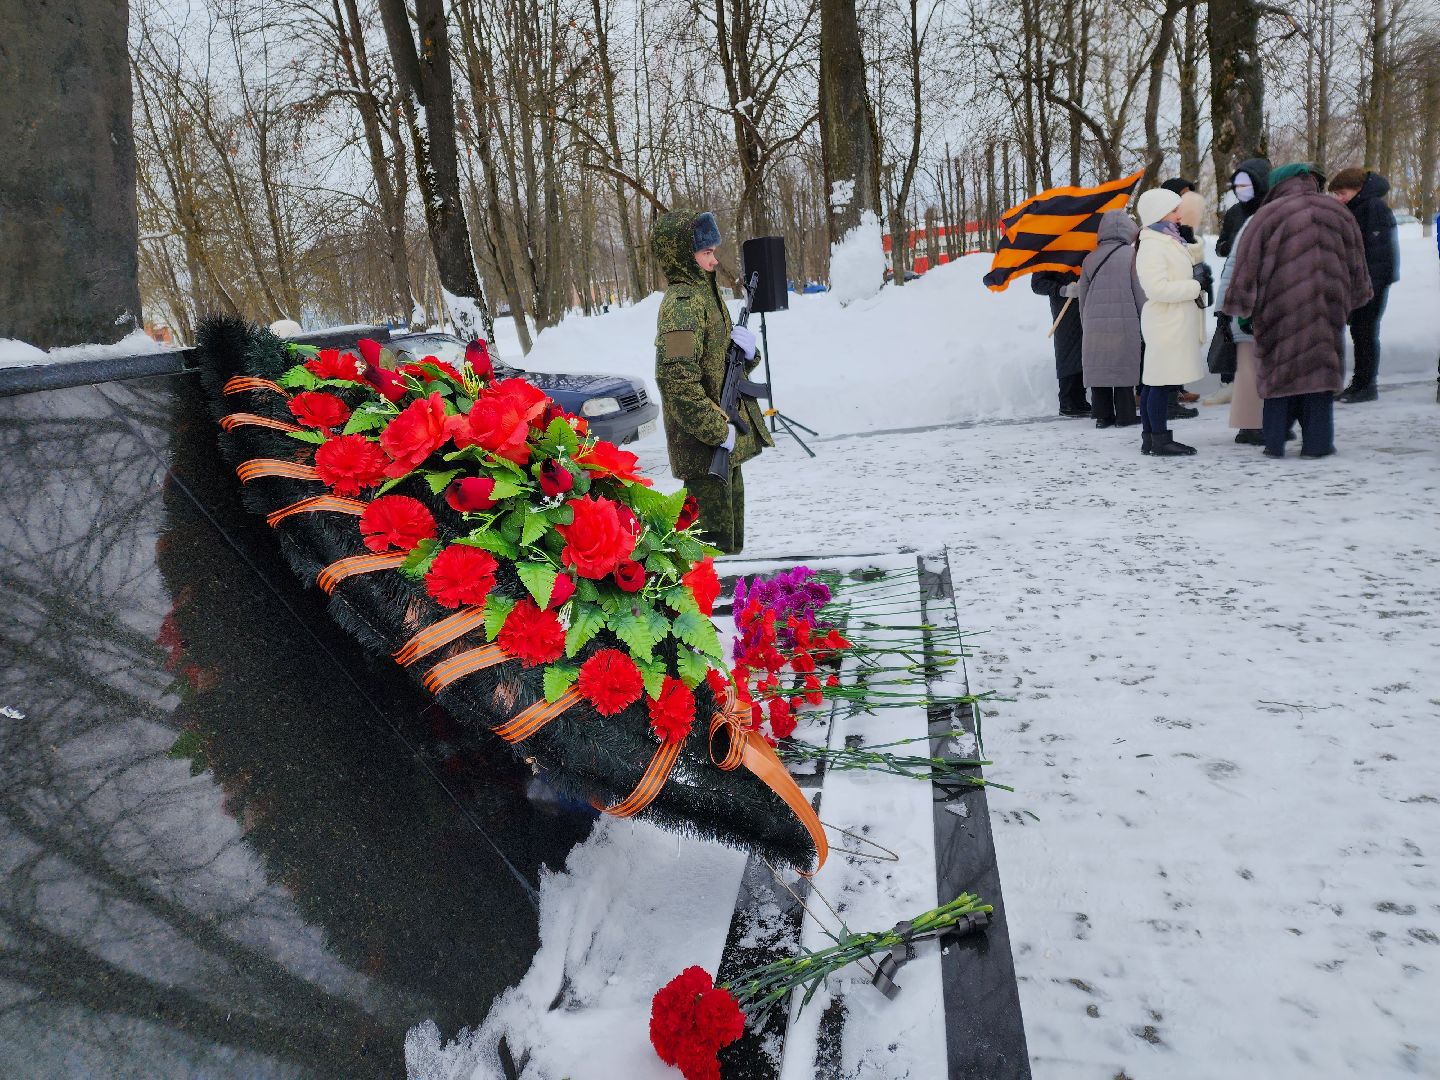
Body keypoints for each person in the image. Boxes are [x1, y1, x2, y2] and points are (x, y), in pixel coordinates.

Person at [1220, 163, 1371, 459]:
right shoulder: (1339, 212)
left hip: (1279, 311)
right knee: (1320, 376)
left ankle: (1274, 443)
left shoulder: (1267, 215)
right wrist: (1354, 297)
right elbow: (1357, 261)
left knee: (1279, 377)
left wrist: (1241, 309)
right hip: (1327, 309)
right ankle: (1318, 444)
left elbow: (1247, 266)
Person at [651, 209, 772, 554]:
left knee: (730, 546)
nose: (714, 259)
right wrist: (718, 431)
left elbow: (720, 366)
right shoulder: (682, 305)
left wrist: (746, 354)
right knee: (710, 556)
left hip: (722, 444)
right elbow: (676, 380)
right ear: (682, 256)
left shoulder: (707, 294)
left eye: (714, 251)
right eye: (706, 252)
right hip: (705, 451)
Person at [1134, 188, 1207, 456]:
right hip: (1166, 322)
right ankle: (1159, 439)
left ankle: (1152, 438)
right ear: (1159, 213)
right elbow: (1156, 288)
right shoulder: (1152, 244)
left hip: (1173, 321)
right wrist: (1193, 286)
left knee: (1157, 382)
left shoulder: (1168, 239)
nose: (1180, 215)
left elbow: (1186, 260)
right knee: (1159, 384)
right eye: (1174, 210)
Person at [1203, 157, 1271, 407]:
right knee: (1230, 335)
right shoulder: (1235, 213)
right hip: (1234, 281)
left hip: (1261, 287)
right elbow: (1222, 246)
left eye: (1246, 185)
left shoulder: (1272, 210)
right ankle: (1229, 385)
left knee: (1253, 346)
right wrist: (1231, 246)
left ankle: (1252, 409)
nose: (1240, 191)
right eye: (1237, 186)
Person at [1328, 168, 1399, 402]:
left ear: (1357, 189)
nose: (1339, 198)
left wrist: (1370, 285)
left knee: (1366, 332)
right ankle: (1360, 383)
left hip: (1372, 282)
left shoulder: (1372, 207)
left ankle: (1367, 385)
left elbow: (1376, 252)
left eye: (1342, 193)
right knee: (1360, 332)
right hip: (1363, 281)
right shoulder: (1358, 207)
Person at [1076, 210, 1144, 428]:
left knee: (1100, 367)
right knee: (1123, 365)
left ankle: (1102, 416)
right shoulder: (1132, 255)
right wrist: (1146, 319)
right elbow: (1139, 292)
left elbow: (1082, 296)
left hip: (1095, 324)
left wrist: (1085, 322)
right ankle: (1125, 415)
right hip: (1124, 322)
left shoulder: (1090, 258)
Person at [1213, 205, 1264, 443]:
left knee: (1249, 367)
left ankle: (1252, 424)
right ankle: (1251, 426)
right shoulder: (1241, 213)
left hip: (1244, 299)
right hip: (1245, 302)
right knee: (1249, 367)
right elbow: (1230, 261)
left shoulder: (1264, 211)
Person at [1031, 270, 1089, 416]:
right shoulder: (1049, 255)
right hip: (1064, 309)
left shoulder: (1084, 251)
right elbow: (1037, 284)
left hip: (1087, 307)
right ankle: (1067, 401)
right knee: (1067, 351)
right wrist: (1061, 290)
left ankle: (1080, 399)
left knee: (1084, 352)